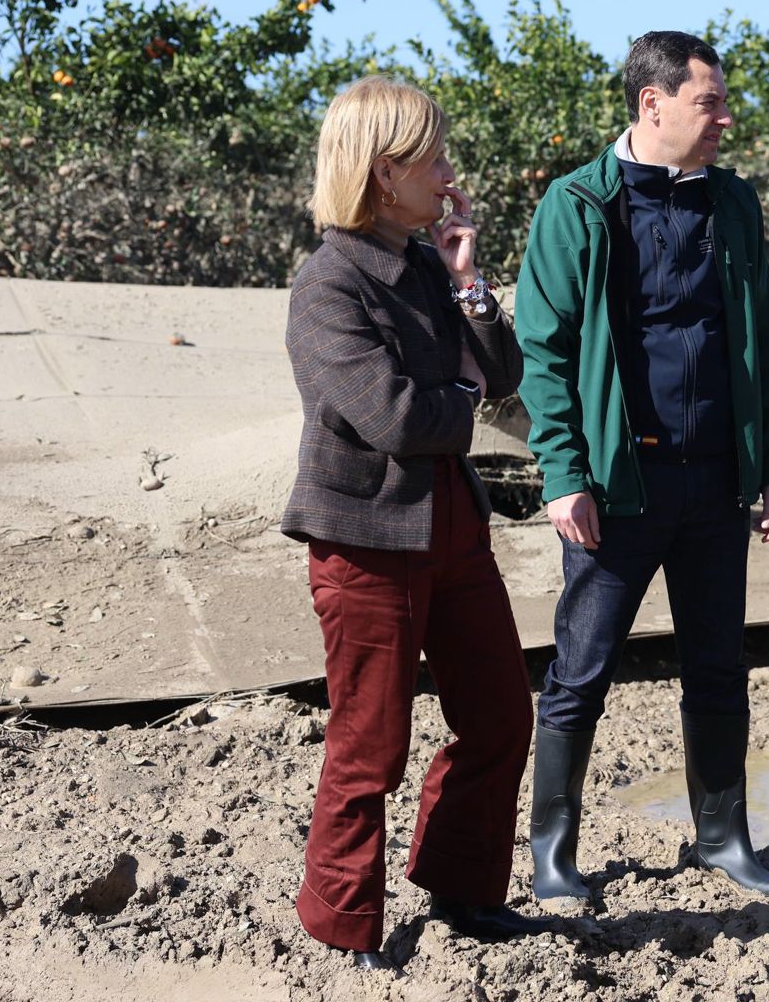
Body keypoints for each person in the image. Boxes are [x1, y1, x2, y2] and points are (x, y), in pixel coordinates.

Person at [514, 30, 769, 911]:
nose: (723, 118)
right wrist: (563, 470)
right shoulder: (578, 205)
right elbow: (544, 349)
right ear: (652, 104)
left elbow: (766, 340)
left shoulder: (733, 204)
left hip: (716, 481)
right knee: (580, 670)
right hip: (616, 490)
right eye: (708, 102)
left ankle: (722, 837)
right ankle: (553, 855)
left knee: (718, 664)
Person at [280, 77, 547, 970]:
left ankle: (463, 888)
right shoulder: (327, 287)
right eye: (431, 156)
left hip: (453, 531)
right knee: (370, 746)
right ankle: (342, 922)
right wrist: (463, 396)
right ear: (383, 170)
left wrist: (470, 282)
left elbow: (501, 372)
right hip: (365, 545)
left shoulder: (430, 264)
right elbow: (394, 417)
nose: (447, 172)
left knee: (502, 716)